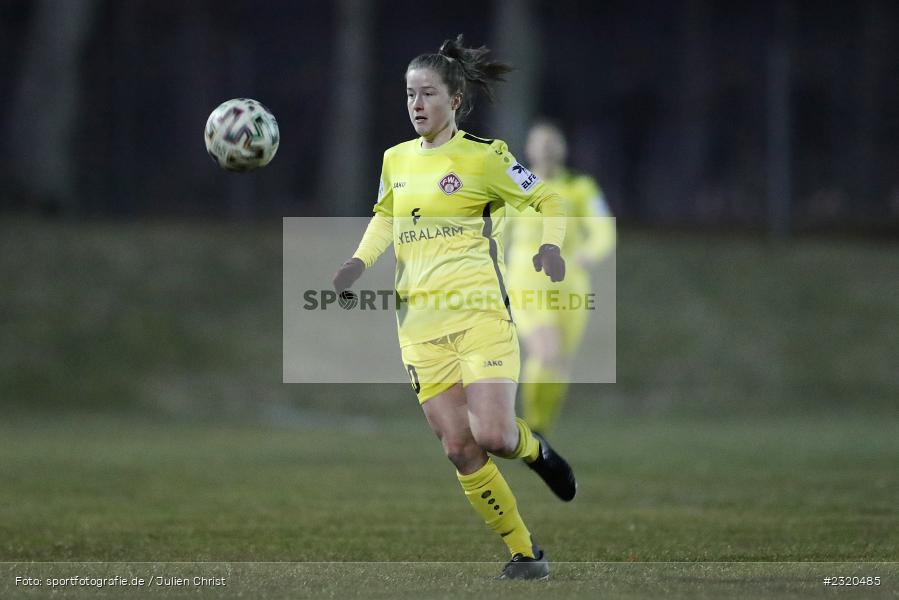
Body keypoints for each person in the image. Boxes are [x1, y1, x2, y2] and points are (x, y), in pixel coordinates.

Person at [332, 35, 576, 581]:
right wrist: (358, 262)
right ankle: (525, 553)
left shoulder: (486, 157)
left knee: (494, 436)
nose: (416, 104)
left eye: (428, 94)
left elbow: (547, 197)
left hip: (479, 316)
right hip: (419, 327)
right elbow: (387, 217)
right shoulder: (395, 159)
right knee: (460, 448)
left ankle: (535, 451)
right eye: (409, 94)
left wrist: (550, 246)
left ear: (456, 100)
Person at [506, 121, 616, 435]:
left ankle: (540, 430)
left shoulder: (581, 187)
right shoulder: (516, 185)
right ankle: (527, 428)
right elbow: (495, 228)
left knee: (559, 363)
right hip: (527, 281)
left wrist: (590, 252)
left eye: (552, 142)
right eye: (539, 142)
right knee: (546, 352)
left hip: (570, 285)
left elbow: (603, 229)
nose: (546, 148)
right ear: (529, 149)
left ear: (563, 148)